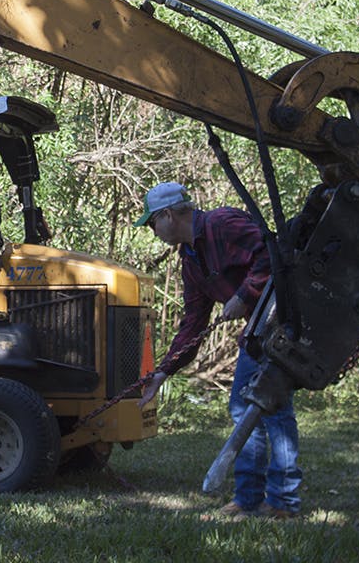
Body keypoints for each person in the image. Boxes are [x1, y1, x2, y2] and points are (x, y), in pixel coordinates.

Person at [135, 181, 302, 520]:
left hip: (283, 322)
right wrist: (164, 370)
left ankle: (283, 502)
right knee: (243, 406)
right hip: (257, 334)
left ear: (168, 215)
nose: (152, 231)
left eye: (152, 222)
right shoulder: (191, 260)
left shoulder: (223, 224)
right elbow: (194, 323)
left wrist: (243, 294)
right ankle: (249, 499)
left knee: (274, 407)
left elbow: (273, 255)